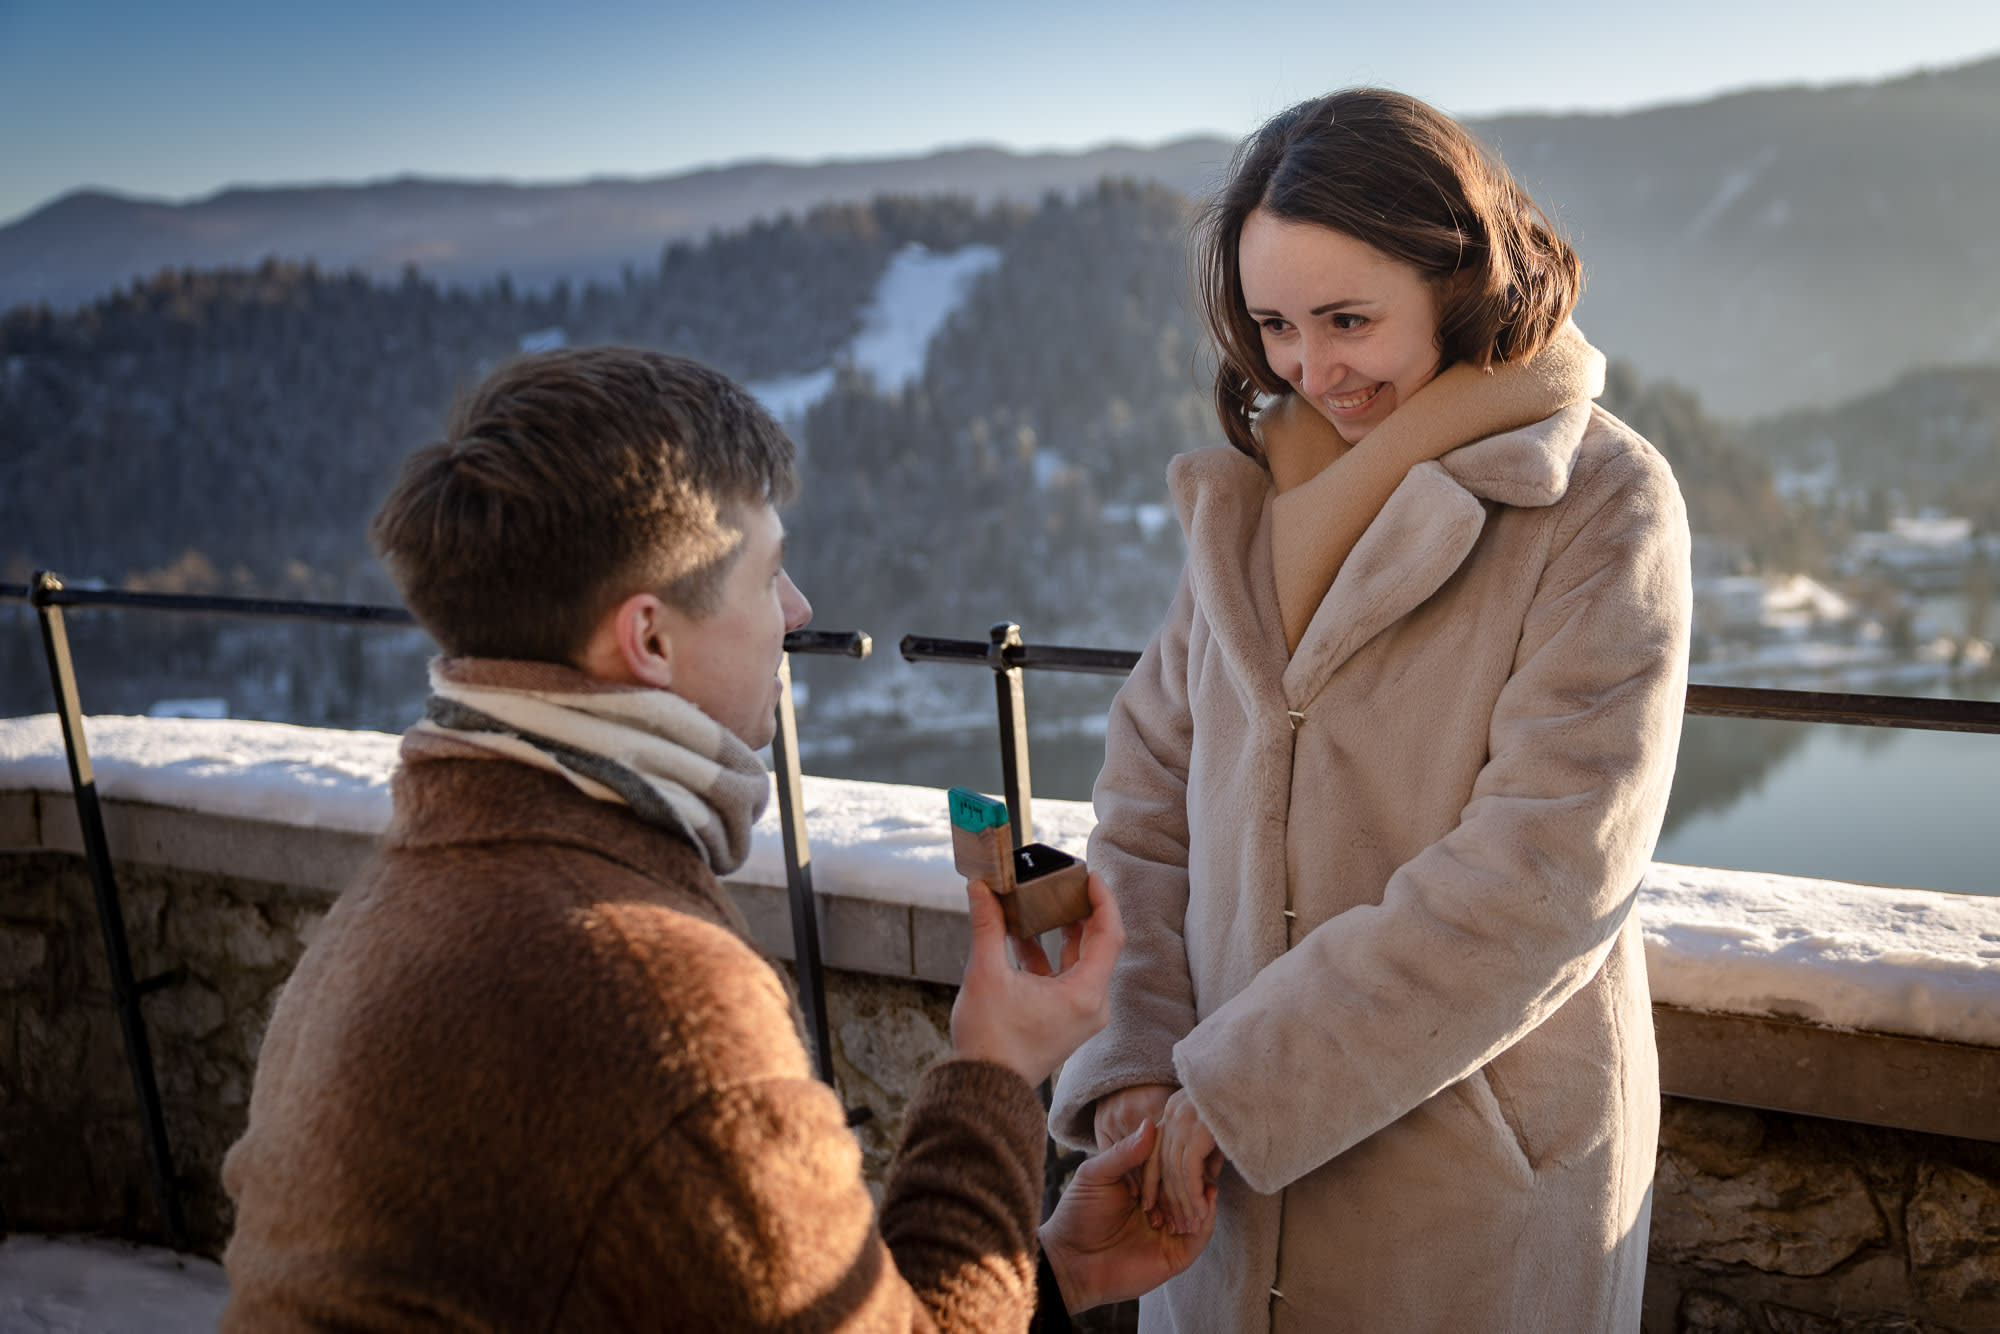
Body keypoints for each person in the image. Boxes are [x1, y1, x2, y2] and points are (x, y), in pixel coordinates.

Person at [220, 346, 1211, 1331]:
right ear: (649, 638)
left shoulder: (399, 902)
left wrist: (1055, 1268)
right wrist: (996, 1063)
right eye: (768, 573)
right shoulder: (649, 988)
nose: (797, 610)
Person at [1048, 89, 1692, 1332]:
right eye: (1275, 324)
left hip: (1464, 1185)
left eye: (1348, 319)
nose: (1307, 368)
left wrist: (1236, 1088)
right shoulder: (1247, 500)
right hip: (1199, 1188)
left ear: (1458, 278)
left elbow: (1545, 876)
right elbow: (1142, 812)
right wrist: (1135, 1065)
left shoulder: (1600, 501)